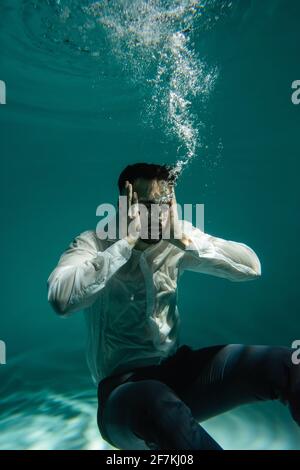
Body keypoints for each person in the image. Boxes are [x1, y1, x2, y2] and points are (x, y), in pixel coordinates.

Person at [47, 162, 300, 450]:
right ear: (124, 203)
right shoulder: (94, 242)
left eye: (164, 203)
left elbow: (252, 267)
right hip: (122, 394)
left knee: (291, 364)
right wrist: (127, 243)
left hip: (177, 373)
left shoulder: (176, 237)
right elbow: (61, 299)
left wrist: (182, 238)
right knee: (159, 403)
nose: (156, 215)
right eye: (145, 205)